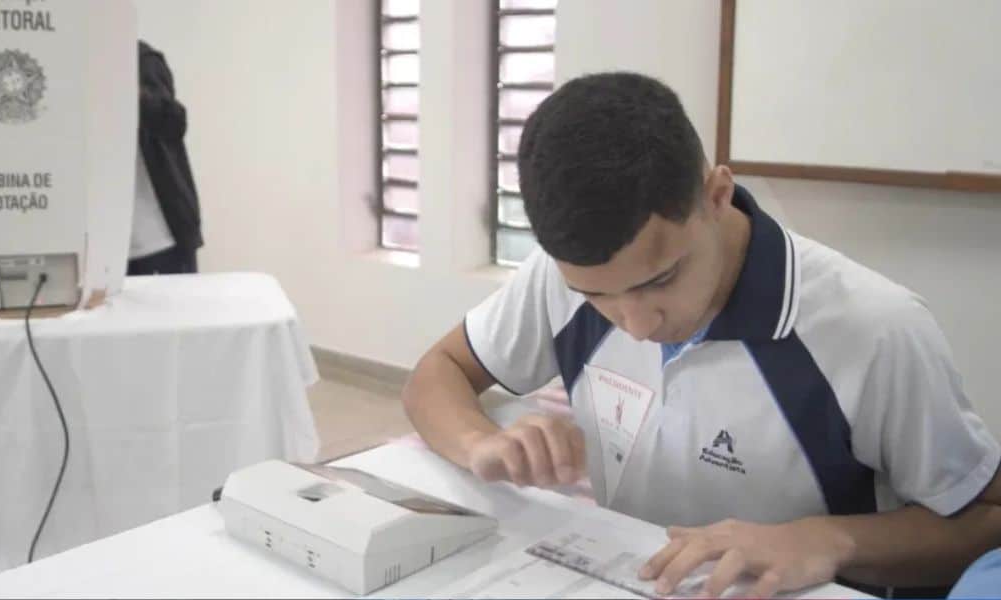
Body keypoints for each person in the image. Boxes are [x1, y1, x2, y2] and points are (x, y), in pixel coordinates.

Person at [401, 72, 1001, 598]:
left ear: (716, 196)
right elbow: (439, 371)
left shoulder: (874, 330)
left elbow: (986, 522)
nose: (635, 325)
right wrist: (479, 441)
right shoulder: (558, 281)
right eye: (597, 297)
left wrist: (826, 540)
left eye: (661, 279)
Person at [127, 40, 203, 275]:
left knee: (182, 311)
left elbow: (174, 123)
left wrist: (132, 92)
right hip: (98, 248)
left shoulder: (142, 60)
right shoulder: (70, 68)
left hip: (162, 239)